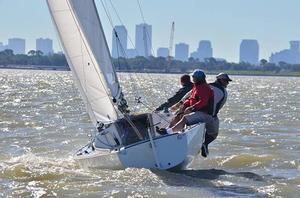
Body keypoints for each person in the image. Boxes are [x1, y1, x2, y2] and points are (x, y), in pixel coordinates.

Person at [156, 69, 214, 135]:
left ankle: (168, 132)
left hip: (204, 113)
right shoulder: (196, 87)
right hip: (197, 110)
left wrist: (191, 108)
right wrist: (184, 105)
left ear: (198, 78)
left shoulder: (204, 88)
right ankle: (167, 129)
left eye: (194, 77)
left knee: (185, 118)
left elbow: (203, 102)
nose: (192, 78)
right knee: (178, 115)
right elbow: (191, 99)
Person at [201, 73, 232, 157]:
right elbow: (215, 104)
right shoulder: (220, 90)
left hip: (198, 111)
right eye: (226, 81)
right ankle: (205, 144)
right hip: (210, 115)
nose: (227, 83)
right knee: (214, 133)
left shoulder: (207, 86)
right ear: (221, 80)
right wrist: (213, 115)